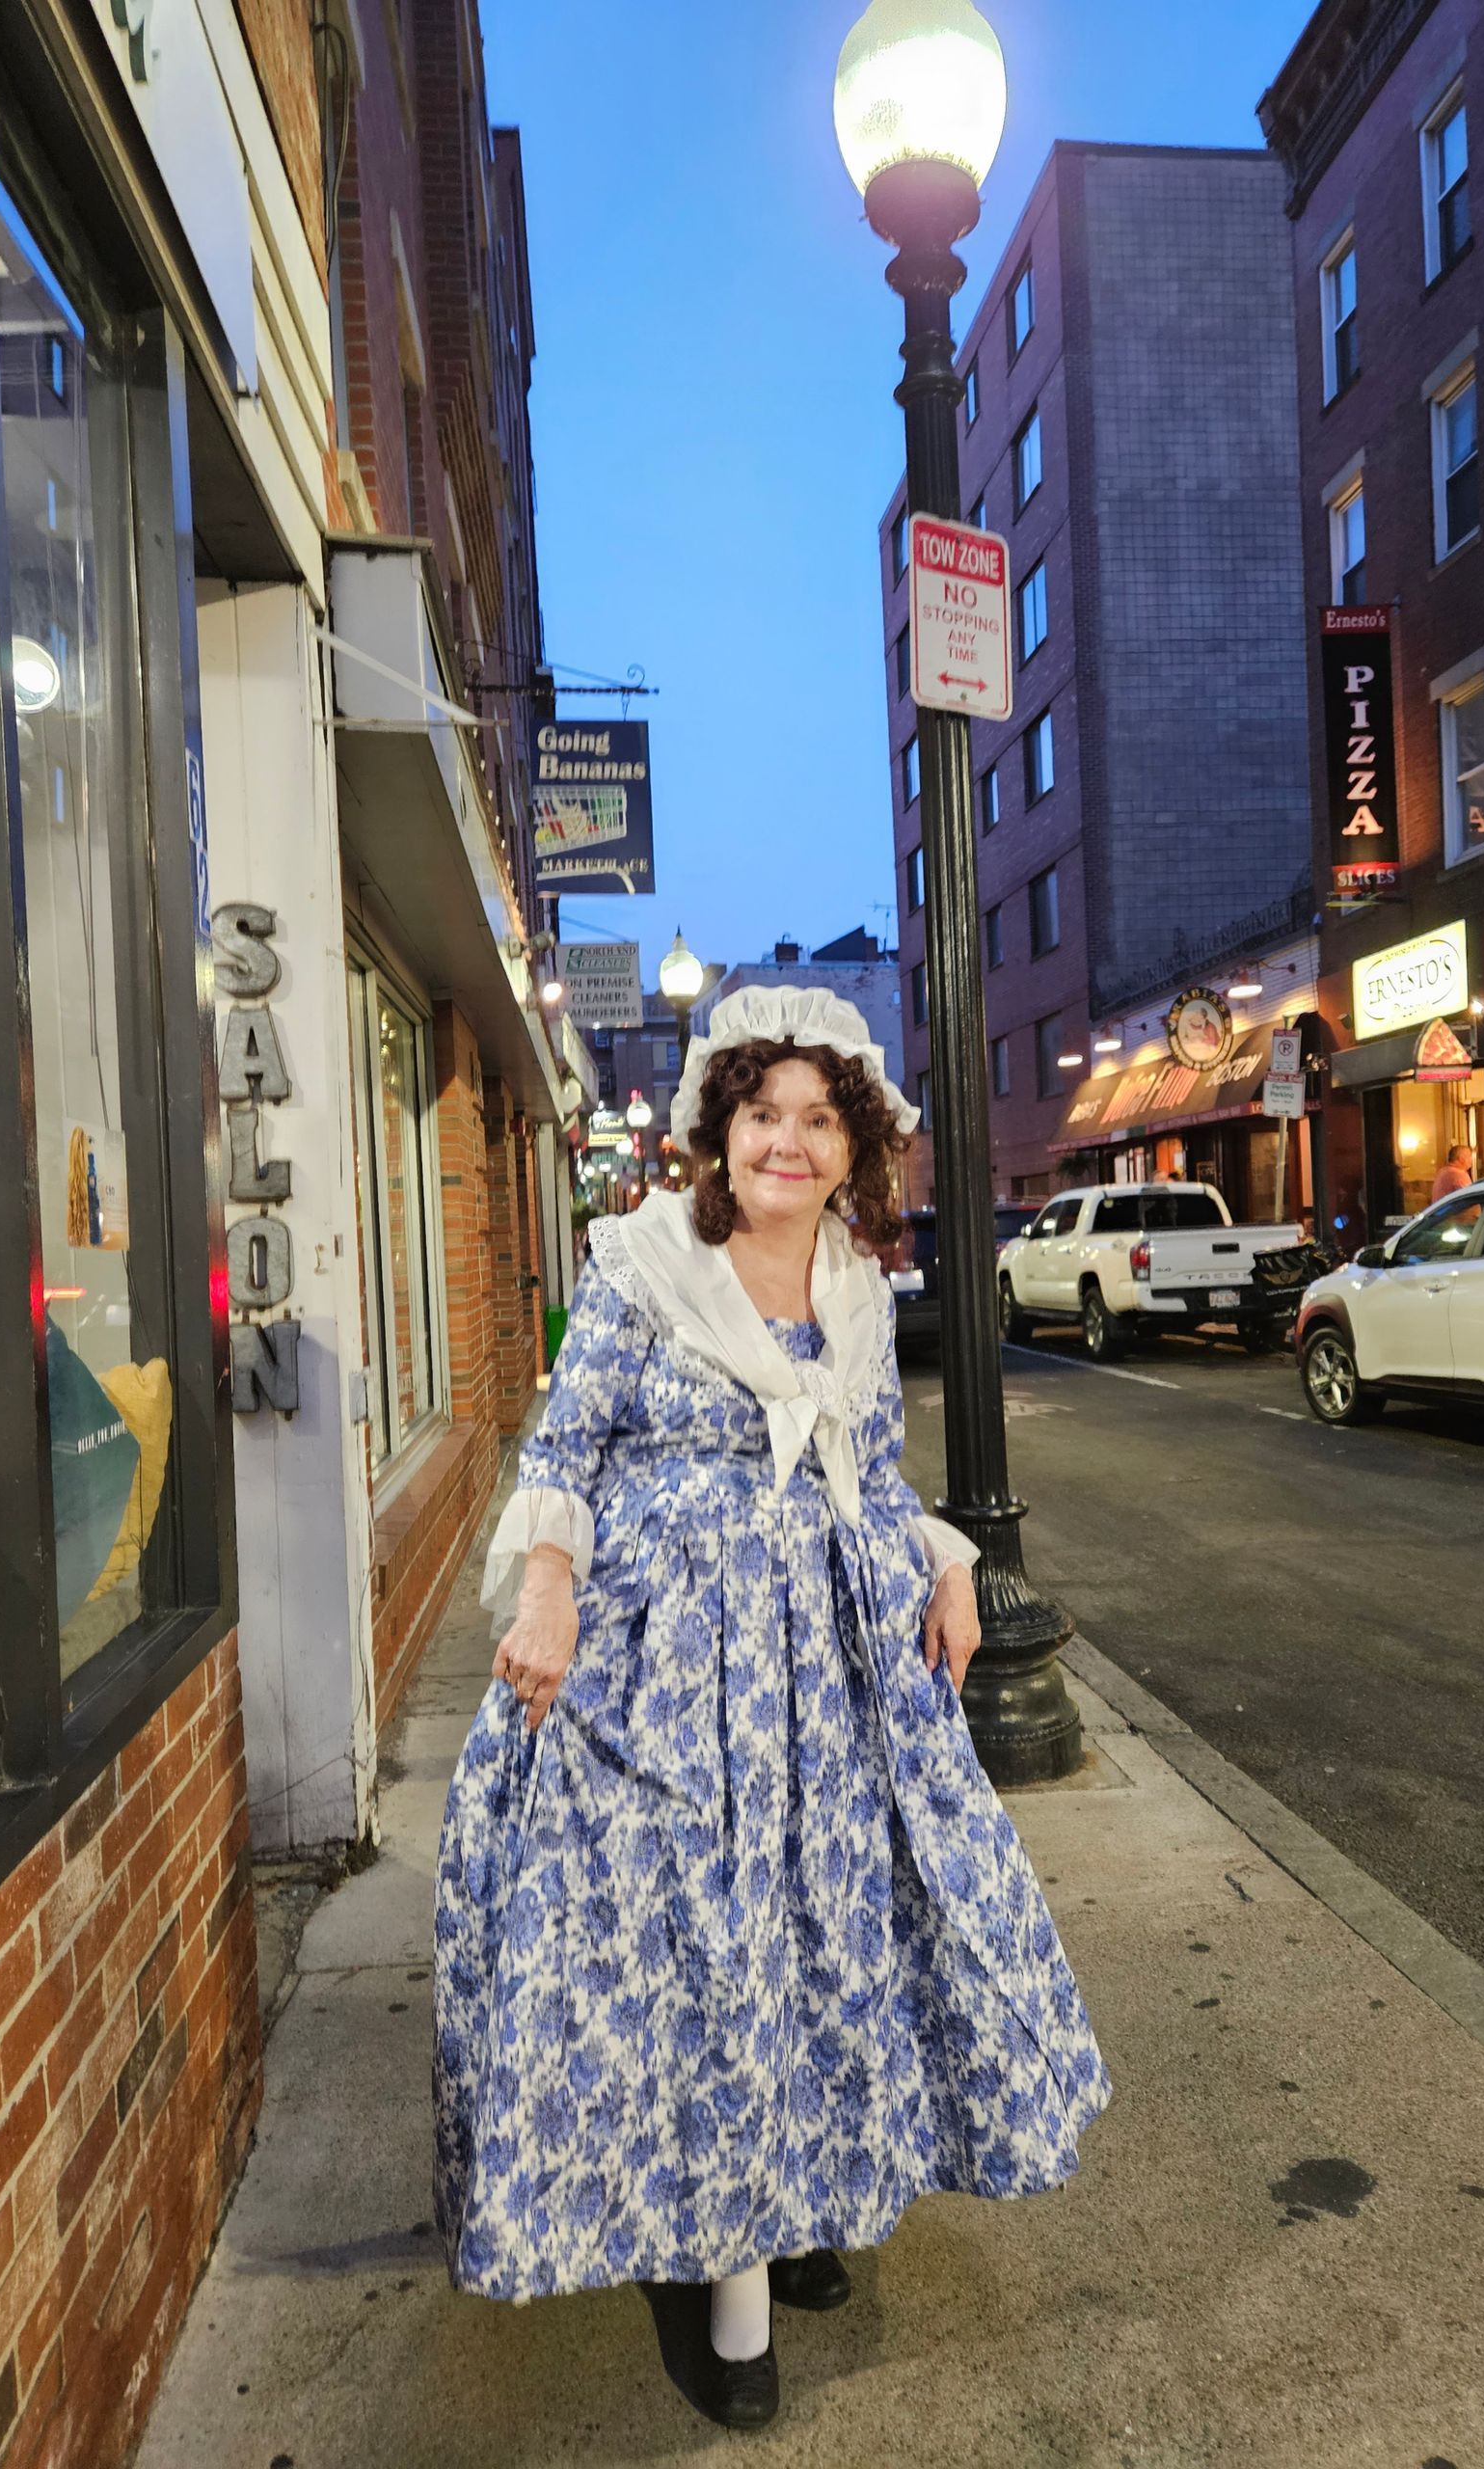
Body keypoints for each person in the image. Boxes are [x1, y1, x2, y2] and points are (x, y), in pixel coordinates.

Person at [433, 986, 1109, 2431]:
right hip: (670, 1667)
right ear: (717, 1130)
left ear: (853, 1144)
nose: (787, 1144)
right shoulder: (643, 1269)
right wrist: (546, 1587)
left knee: (822, 1937)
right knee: (708, 1949)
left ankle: (799, 2201)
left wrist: (948, 1563)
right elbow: (567, 1445)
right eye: (763, 1115)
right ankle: (727, 2294)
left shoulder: (862, 1287)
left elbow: (865, 1475)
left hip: (835, 1674)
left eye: (817, 1119)